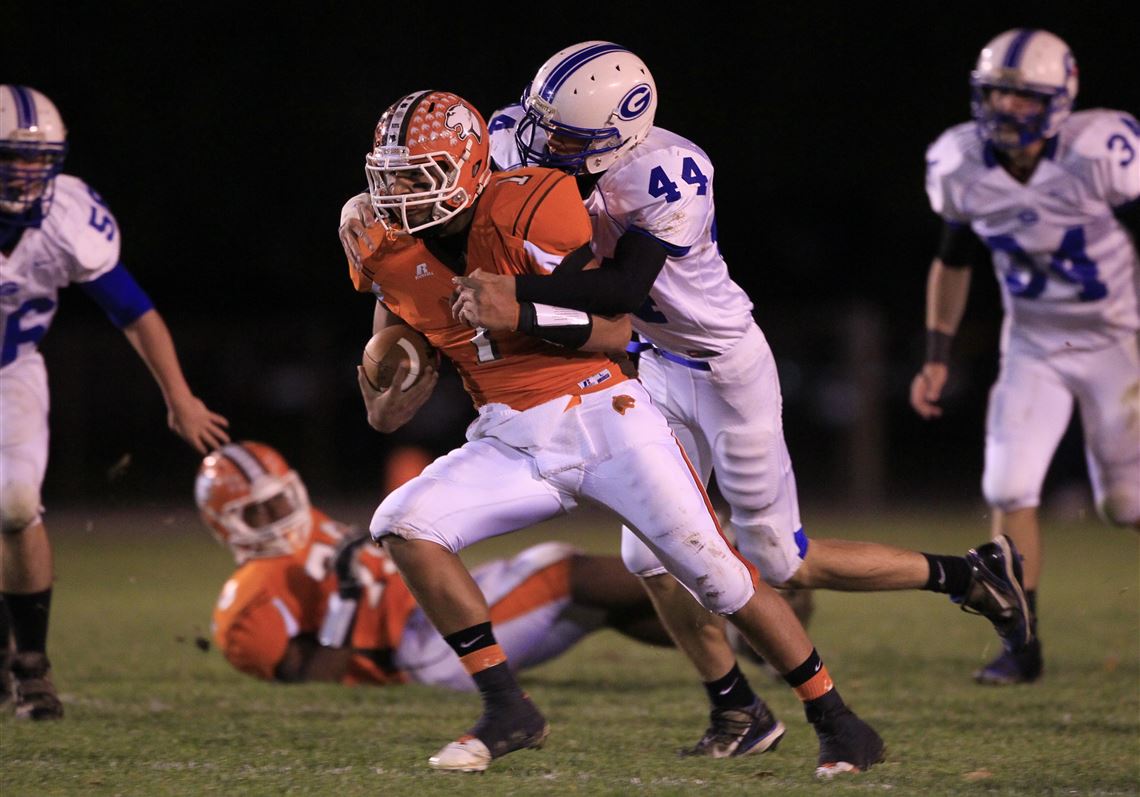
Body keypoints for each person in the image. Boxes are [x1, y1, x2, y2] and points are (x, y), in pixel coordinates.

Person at [440, 41, 1033, 754]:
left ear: (618, 136)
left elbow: (624, 293)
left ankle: (967, 572)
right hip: (651, 365)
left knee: (782, 560)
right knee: (649, 557)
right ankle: (738, 711)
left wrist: (516, 293)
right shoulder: (521, 130)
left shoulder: (665, 172)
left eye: (566, 138)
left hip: (723, 366)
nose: (540, 145)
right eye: (542, 124)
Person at [343, 89, 884, 776]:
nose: (402, 195)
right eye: (390, 178)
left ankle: (838, 720)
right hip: (507, 434)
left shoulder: (531, 205)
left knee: (720, 575)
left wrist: (521, 313)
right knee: (404, 521)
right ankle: (509, 707)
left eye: (420, 176)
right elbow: (392, 365)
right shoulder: (375, 237)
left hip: (601, 414)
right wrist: (388, 383)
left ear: (471, 164)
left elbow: (617, 331)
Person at [911, 29, 1140, 685]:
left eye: (1023, 95)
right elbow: (951, 260)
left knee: (1125, 505)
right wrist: (937, 353)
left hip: (1114, 339)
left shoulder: (1103, 153)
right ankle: (1022, 643)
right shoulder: (961, 163)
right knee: (1008, 487)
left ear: (1059, 99)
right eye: (997, 93)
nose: (1007, 108)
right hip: (1034, 343)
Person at [0, 85, 230, 720]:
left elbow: (135, 312)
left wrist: (179, 397)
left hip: (10, 371)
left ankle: (31, 668)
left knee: (17, 507)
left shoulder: (64, 217)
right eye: (10, 157)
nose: (25, 173)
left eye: (35, 158)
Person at [198, 441, 670, 687]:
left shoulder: (309, 525)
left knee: (594, 604)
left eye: (279, 500)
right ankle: (725, 592)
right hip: (419, 648)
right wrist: (345, 600)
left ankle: (730, 635)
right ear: (224, 523)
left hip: (429, 607)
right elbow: (317, 682)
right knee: (558, 570)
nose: (277, 517)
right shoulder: (249, 604)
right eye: (256, 511)